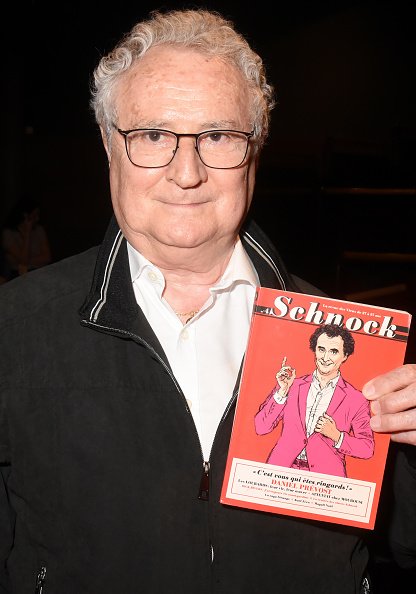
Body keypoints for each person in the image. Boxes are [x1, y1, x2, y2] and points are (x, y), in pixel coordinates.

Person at [0, 8, 415, 593]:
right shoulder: (15, 328)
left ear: (255, 149)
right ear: (107, 145)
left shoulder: (353, 340)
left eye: (218, 136)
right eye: (151, 136)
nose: (186, 172)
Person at [254, 324, 374, 476]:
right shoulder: (293, 385)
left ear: (345, 356)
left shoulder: (356, 399)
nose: (325, 358)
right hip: (280, 472)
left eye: (334, 351)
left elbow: (367, 448)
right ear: (315, 349)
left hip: (325, 480)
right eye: (321, 349)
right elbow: (261, 427)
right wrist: (282, 391)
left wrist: (337, 436)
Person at [1, 194, 52, 280]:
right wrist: (27, 235)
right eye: (35, 215)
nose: (37, 219)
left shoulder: (39, 230)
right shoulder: (8, 233)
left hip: (41, 271)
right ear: (25, 216)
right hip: (19, 275)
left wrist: (27, 261)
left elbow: (47, 257)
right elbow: (23, 261)